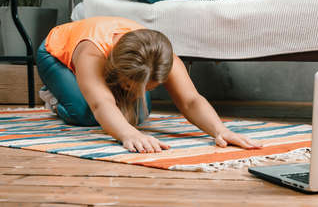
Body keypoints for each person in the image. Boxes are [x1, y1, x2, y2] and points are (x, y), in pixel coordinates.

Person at [36, 16, 262, 153]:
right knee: (84, 114)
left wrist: (220, 130)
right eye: (131, 86)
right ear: (116, 70)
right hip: (55, 54)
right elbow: (100, 103)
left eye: (148, 87)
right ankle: (55, 95)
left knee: (138, 116)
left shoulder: (163, 57)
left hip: (109, 66)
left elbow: (191, 100)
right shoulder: (91, 52)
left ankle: (88, 89)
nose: (141, 94)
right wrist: (128, 135)